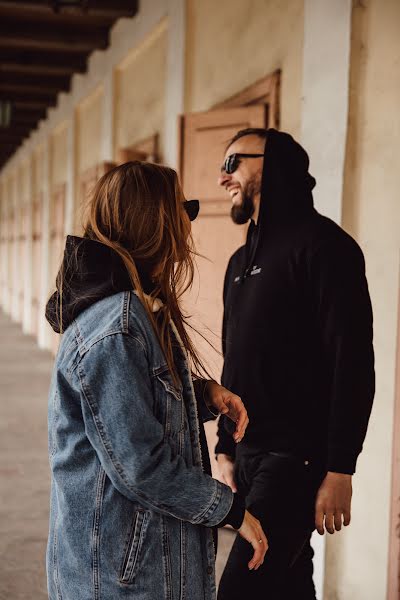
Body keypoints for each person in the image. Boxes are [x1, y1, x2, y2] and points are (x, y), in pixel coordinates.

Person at [44, 161, 268, 600]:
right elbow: (140, 466)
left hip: (130, 564)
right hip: (122, 577)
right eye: (181, 211)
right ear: (157, 224)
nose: (188, 227)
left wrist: (204, 394)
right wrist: (232, 511)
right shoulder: (119, 323)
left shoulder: (132, 309)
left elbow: (132, 407)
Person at [215, 128, 375, 599]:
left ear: (272, 162)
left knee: (240, 590)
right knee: (287, 583)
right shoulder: (239, 261)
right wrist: (225, 446)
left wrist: (341, 468)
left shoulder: (327, 248)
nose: (223, 178)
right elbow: (236, 360)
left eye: (232, 164)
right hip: (248, 454)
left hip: (295, 458)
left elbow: (352, 363)